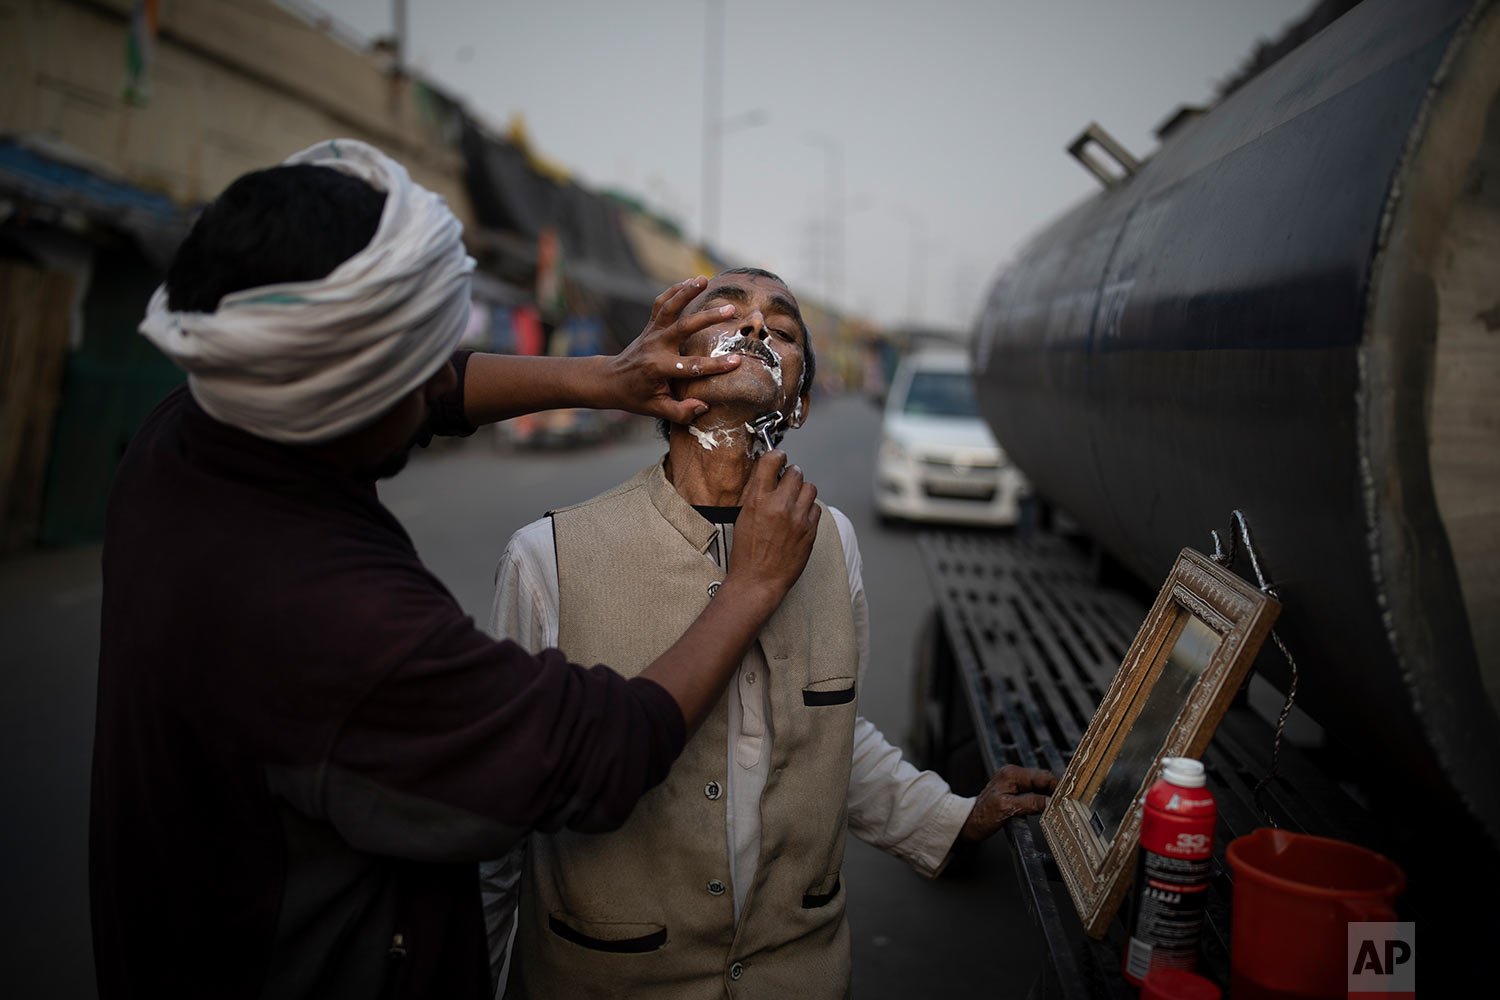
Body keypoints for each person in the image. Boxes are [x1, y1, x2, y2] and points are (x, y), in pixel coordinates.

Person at [89, 140, 823, 1000]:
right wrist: (750, 591)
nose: (442, 381)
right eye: (424, 362)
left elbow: (439, 393)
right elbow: (594, 755)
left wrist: (608, 378)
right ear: (353, 389)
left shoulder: (189, 431)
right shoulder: (348, 622)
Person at [486, 267, 1056, 999]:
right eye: (726, 314)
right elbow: (497, 830)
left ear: (802, 402)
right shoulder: (546, 561)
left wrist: (953, 819)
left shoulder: (834, 543)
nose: (756, 328)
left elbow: (829, 736)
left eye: (782, 330)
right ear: (666, 369)